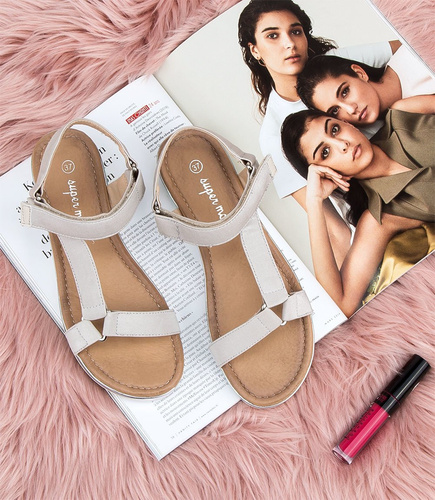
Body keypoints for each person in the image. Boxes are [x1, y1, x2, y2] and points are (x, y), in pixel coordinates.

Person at [238, 0, 399, 266]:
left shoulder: (335, 64)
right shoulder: (273, 135)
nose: (289, 43)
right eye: (273, 36)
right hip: (385, 206)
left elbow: (412, 49)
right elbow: (335, 230)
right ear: (255, 50)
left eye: (295, 31)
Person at [280, 100, 435, 317]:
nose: (342, 144)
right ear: (326, 172)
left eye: (334, 129)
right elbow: (341, 303)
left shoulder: (402, 114)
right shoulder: (380, 217)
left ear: (347, 123)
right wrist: (314, 201)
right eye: (325, 152)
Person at [296, 46, 435, 126]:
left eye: (345, 92)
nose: (351, 109)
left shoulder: (414, 56)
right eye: (335, 111)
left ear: (360, 73)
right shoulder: (392, 133)